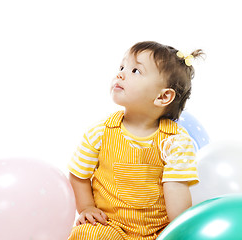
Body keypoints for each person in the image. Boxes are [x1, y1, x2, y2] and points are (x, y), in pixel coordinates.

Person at [67, 41, 204, 240]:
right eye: (121, 67)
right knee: (86, 234)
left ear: (163, 96)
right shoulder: (100, 132)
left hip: (158, 231)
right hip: (110, 225)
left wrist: (180, 231)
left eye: (135, 71)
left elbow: (176, 190)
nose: (120, 74)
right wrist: (86, 207)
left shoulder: (176, 142)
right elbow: (79, 175)